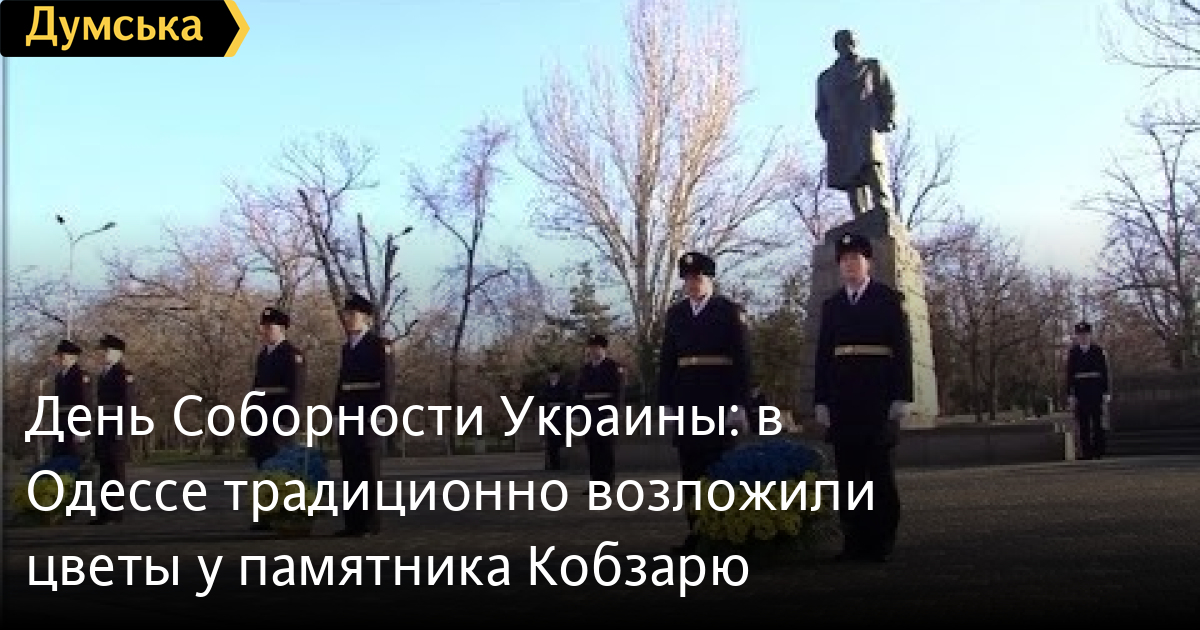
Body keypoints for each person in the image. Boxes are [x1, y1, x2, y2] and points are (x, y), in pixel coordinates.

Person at [812, 233, 912, 563]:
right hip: (843, 400)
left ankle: (881, 539)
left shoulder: (887, 299)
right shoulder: (832, 305)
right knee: (850, 476)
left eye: (856, 258)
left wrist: (901, 396)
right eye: (844, 260)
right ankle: (854, 539)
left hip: (878, 397)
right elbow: (824, 356)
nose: (850, 265)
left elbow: (902, 350)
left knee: (879, 473)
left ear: (868, 263)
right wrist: (821, 400)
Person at [658, 252, 752, 554]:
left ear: (710, 279)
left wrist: (739, 404)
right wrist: (666, 404)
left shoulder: (728, 311)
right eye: (688, 279)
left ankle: (724, 532)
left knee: (719, 467)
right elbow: (668, 362)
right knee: (690, 471)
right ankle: (697, 531)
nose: (692, 284)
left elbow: (742, 361)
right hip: (686, 401)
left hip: (718, 399)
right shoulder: (676, 314)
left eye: (697, 278)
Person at [815, 29, 898, 217]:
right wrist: (827, 131)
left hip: (867, 126)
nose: (848, 45)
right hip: (841, 132)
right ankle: (859, 216)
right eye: (843, 42)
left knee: (872, 164)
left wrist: (889, 117)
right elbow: (822, 110)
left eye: (851, 41)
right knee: (849, 174)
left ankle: (883, 206)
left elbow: (888, 94)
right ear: (836, 46)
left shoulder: (872, 66)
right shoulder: (825, 78)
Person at [332, 293, 395, 537]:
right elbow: (342, 383)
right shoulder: (347, 347)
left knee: (368, 471)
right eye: (346, 314)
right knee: (350, 470)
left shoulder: (380, 345)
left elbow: (387, 383)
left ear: (366, 317)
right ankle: (353, 523)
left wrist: (381, 413)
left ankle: (370, 523)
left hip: (368, 415)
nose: (348, 318)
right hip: (349, 414)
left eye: (353, 314)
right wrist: (336, 413)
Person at [249, 306, 306, 469]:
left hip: (279, 419)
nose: (265, 331)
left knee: (279, 469)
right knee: (262, 467)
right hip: (261, 420)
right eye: (263, 327)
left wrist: (288, 422)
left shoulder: (292, 354)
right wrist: (251, 417)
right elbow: (256, 389)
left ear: (281, 328)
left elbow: (296, 391)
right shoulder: (263, 356)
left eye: (269, 327)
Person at [91, 334, 134, 525]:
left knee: (116, 471)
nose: (103, 354)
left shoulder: (123, 374)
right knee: (105, 471)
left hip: (115, 426)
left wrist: (122, 429)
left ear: (118, 353)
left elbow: (126, 404)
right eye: (103, 351)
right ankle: (104, 513)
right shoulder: (104, 373)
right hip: (104, 426)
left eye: (107, 351)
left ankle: (115, 514)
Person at [575, 335, 624, 489]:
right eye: (591, 348)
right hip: (589, 411)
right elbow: (578, 392)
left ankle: (607, 482)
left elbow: (618, 391)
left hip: (605, 410)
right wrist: (577, 412)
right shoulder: (585, 369)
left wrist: (614, 411)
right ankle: (595, 482)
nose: (593, 351)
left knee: (606, 448)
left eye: (596, 348)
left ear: (603, 349)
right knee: (593, 448)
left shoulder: (612, 366)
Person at [1066, 321, 1110, 460]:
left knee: (1097, 422)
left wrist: (1106, 391)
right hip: (1081, 392)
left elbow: (1104, 372)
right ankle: (1086, 452)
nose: (1083, 337)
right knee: (1083, 423)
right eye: (1080, 335)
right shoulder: (1073, 352)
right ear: (1077, 337)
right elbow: (1069, 374)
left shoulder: (1098, 351)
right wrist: (1070, 394)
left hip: (1096, 391)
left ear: (1090, 335)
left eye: (1085, 335)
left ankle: (1099, 451)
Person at [51, 339, 93, 459]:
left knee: (72, 459)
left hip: (74, 423)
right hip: (60, 425)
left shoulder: (81, 375)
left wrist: (82, 429)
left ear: (73, 357)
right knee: (59, 459)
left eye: (63, 356)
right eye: (60, 356)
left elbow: (85, 403)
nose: (60, 359)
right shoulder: (59, 376)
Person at [538, 364, 572, 470]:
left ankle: (563, 462)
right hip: (549, 415)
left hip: (561, 415)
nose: (553, 376)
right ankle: (553, 463)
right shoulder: (545, 386)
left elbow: (568, 399)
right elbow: (543, 400)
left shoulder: (564, 385)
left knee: (562, 439)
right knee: (551, 440)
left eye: (555, 374)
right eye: (551, 374)